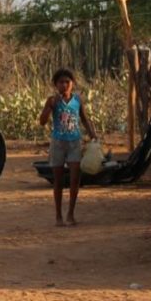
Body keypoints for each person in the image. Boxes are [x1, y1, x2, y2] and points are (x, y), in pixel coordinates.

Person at [38, 68, 98, 226]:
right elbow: (42, 121)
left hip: (74, 143)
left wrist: (93, 135)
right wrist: (50, 107)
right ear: (55, 85)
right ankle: (58, 216)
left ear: (72, 84)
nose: (64, 85)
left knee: (74, 179)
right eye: (61, 82)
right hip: (58, 143)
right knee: (57, 180)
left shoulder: (77, 100)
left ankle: (70, 213)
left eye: (67, 82)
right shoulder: (52, 101)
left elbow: (84, 119)